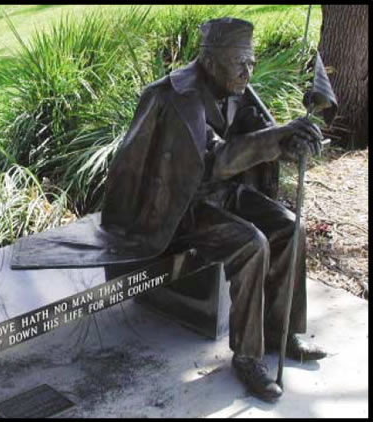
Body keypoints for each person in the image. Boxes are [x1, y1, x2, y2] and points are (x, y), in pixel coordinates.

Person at [98, 17, 327, 402]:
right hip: (179, 207)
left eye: (250, 62)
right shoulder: (173, 97)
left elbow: (261, 140)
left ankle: (280, 332)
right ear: (209, 60)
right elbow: (212, 159)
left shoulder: (238, 88)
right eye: (239, 62)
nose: (247, 71)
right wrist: (275, 139)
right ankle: (248, 357)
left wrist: (292, 141)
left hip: (224, 194)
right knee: (251, 244)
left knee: (290, 228)